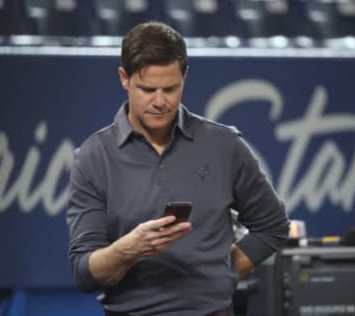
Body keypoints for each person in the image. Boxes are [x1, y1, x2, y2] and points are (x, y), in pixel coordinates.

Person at [67, 21, 289, 316]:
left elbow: (272, 226)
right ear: (124, 78)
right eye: (147, 89)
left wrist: (226, 272)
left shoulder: (224, 145)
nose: (159, 102)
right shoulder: (93, 158)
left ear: (185, 75)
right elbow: (84, 273)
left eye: (170, 89)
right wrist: (130, 248)